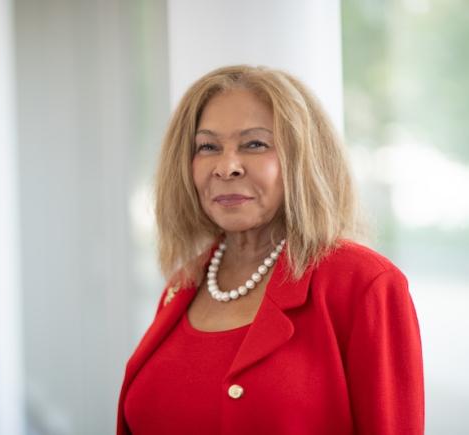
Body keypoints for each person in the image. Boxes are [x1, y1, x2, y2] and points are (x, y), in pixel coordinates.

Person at [117, 65, 424, 435]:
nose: (226, 166)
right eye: (208, 147)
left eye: (255, 144)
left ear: (302, 159)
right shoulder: (183, 284)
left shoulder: (363, 284)